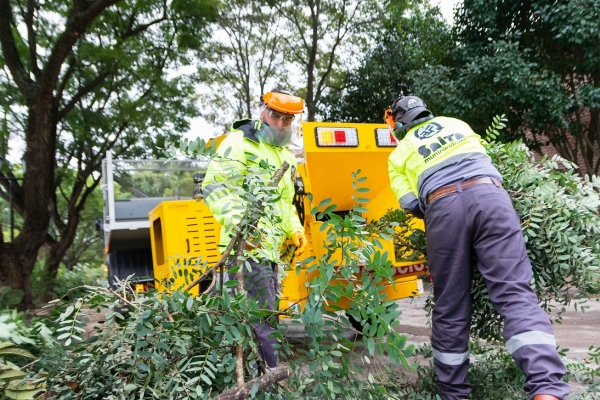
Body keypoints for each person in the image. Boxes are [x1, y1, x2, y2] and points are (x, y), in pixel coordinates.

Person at [384, 95, 570, 400]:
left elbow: (411, 205)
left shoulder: (399, 152)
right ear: (426, 112)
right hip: (491, 197)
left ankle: (454, 394)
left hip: (442, 209)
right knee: (516, 295)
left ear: (400, 124)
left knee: (451, 308)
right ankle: (547, 389)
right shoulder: (456, 124)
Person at [202, 89, 307, 372]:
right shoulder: (239, 142)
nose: (281, 123)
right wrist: (243, 227)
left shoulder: (285, 154)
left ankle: (253, 374)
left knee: (261, 316)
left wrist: (295, 229)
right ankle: (271, 378)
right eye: (276, 115)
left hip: (271, 251)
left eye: (288, 119)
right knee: (264, 319)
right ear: (263, 111)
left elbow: (285, 204)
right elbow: (215, 185)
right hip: (245, 250)